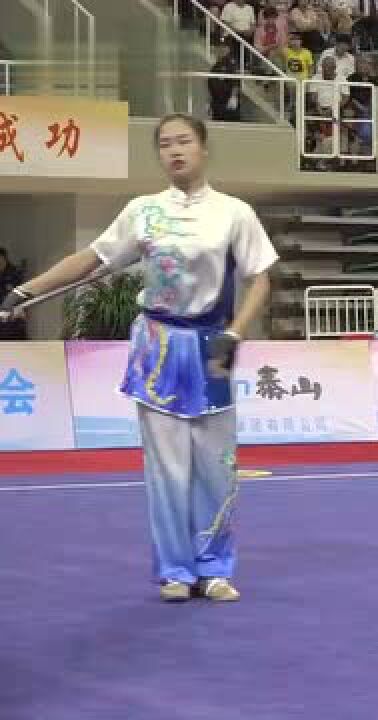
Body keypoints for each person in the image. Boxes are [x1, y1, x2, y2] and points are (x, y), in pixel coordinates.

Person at [0, 114, 279, 602]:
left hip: (212, 347)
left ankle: (214, 569)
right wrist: (25, 289)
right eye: (165, 144)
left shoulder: (235, 212)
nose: (175, 151)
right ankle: (176, 570)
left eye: (184, 141)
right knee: (166, 467)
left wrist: (235, 333)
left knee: (216, 465)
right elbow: (92, 258)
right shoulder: (142, 211)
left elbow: (261, 278)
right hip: (158, 346)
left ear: (203, 148)